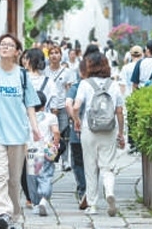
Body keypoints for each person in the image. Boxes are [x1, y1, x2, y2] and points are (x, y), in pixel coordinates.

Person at [0, 33, 41, 229]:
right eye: (2, 44)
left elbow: (30, 105)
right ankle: (2, 212)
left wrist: (35, 128)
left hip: (18, 134)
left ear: (17, 52)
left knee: (13, 180)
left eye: (9, 45)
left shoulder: (22, 75)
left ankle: (13, 215)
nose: (5, 47)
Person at [72, 52, 125, 217]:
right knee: (107, 166)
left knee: (90, 167)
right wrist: (121, 132)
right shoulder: (113, 84)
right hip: (109, 129)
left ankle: (93, 205)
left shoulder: (85, 84)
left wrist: (76, 120)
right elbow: (119, 111)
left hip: (89, 128)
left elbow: (75, 107)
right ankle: (109, 192)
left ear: (89, 66)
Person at [21, 47, 57, 208]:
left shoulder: (21, 80)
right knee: (43, 167)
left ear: (29, 61)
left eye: (25, 58)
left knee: (26, 166)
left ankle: (31, 198)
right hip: (44, 128)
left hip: (23, 125)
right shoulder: (49, 82)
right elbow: (54, 107)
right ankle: (41, 194)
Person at [26, 91, 60, 217]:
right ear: (44, 105)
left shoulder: (26, 117)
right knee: (46, 176)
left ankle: (36, 204)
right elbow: (56, 132)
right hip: (46, 150)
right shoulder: (51, 117)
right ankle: (44, 199)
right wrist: (55, 145)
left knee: (33, 179)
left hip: (31, 151)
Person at [44, 43, 74, 171]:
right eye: (51, 53)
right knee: (49, 134)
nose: (54, 55)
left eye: (56, 53)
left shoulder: (67, 72)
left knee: (63, 134)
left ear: (61, 56)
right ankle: (50, 158)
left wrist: (70, 107)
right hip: (47, 107)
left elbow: (69, 89)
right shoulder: (44, 71)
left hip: (62, 107)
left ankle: (65, 161)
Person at [65, 59, 87, 209]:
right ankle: (90, 190)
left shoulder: (76, 86)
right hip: (95, 131)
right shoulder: (99, 86)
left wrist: (75, 120)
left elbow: (68, 104)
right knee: (91, 162)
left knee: (78, 162)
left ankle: (83, 190)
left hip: (77, 132)